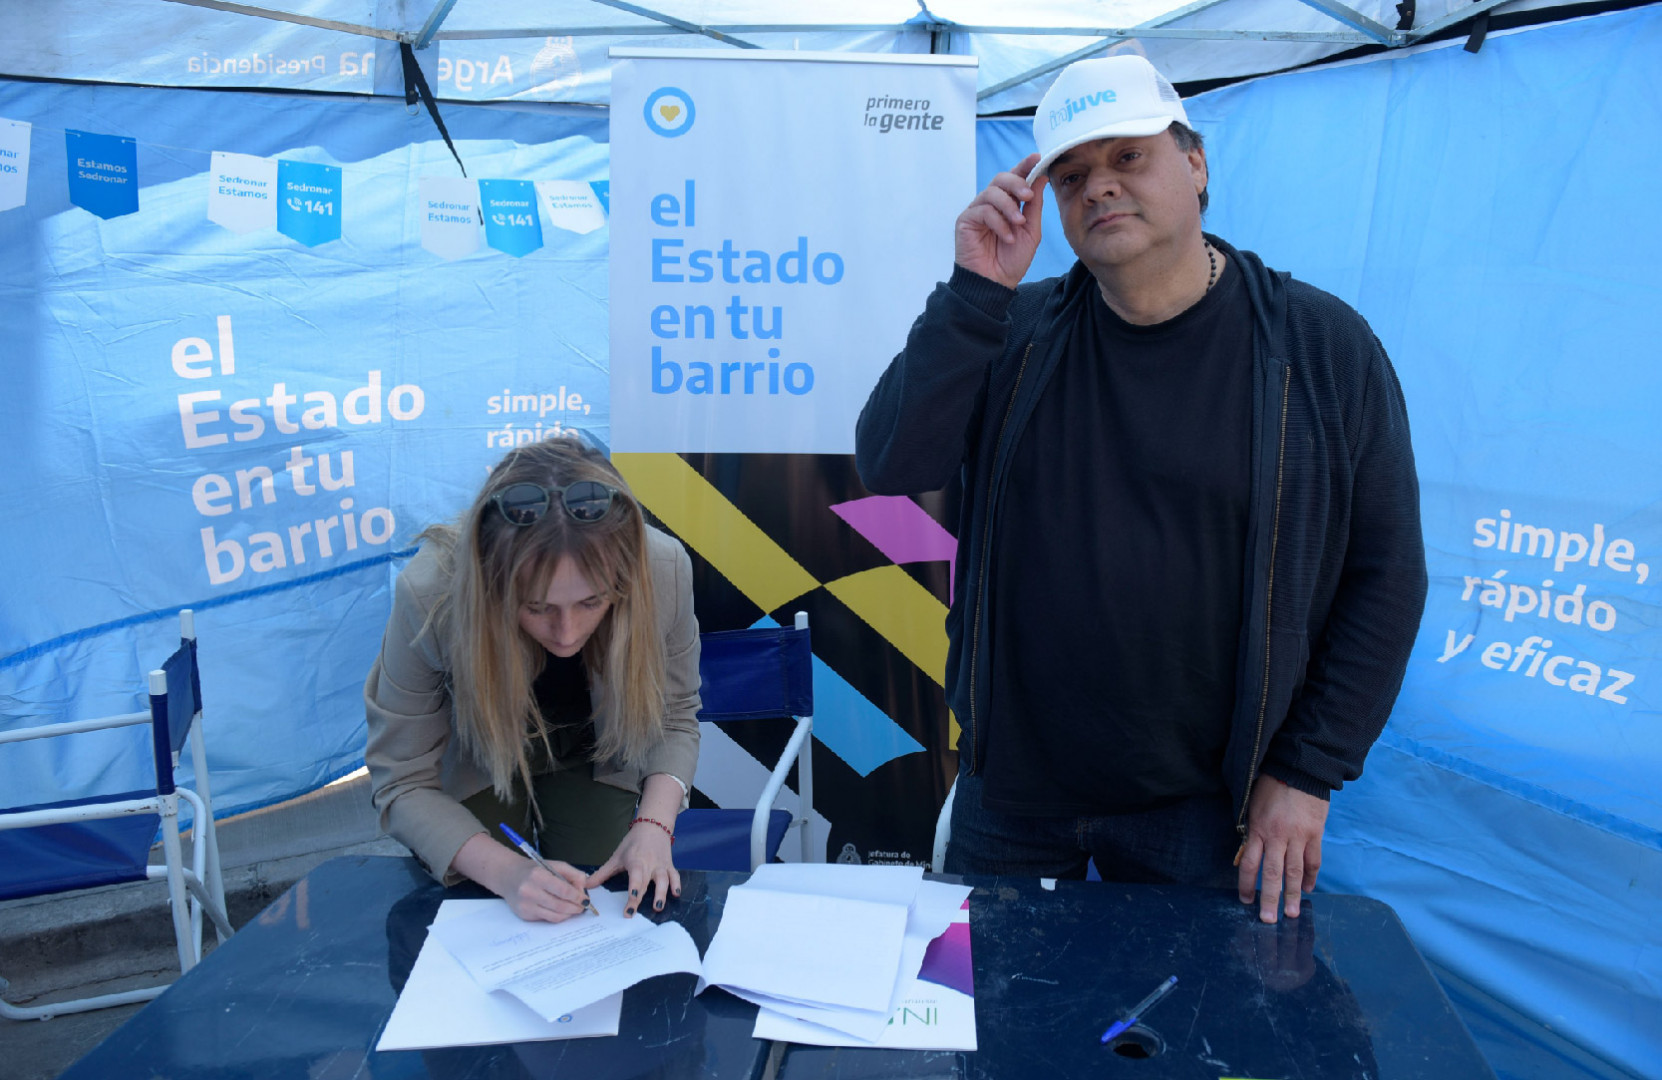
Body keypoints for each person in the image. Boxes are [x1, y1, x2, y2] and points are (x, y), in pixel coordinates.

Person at [855, 55, 1426, 922]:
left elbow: (1385, 577)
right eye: (1075, 173)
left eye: (1129, 157)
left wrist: (1307, 772)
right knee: (1000, 1043)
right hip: (1012, 794)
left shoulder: (1320, 348)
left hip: (1206, 809)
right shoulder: (1013, 332)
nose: (1100, 188)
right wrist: (976, 292)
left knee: (1187, 1047)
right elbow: (892, 466)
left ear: (1195, 166)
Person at [364, 436, 700, 922]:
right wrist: (506, 872)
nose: (566, 634)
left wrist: (654, 824)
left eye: (591, 603)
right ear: (491, 584)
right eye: (537, 608)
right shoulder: (429, 593)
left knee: (606, 886)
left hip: (600, 750)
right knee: (477, 902)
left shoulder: (663, 569)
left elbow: (675, 714)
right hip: (479, 754)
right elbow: (401, 778)